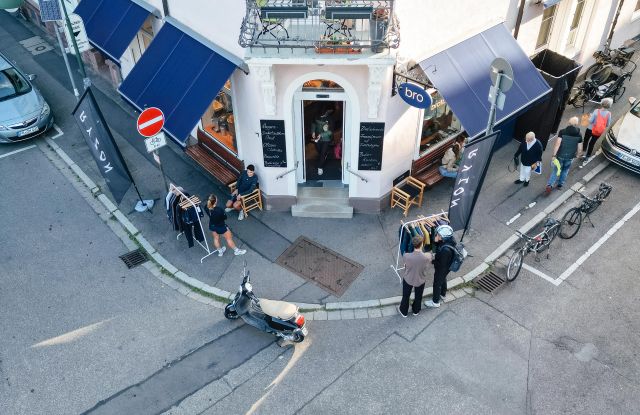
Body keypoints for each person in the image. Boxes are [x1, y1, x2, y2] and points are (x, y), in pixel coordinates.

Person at [397, 235, 433, 317]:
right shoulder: (428, 256)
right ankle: (416, 310)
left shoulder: (406, 256)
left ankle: (404, 311)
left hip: (408, 278)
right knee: (418, 296)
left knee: (406, 296)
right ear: (422, 244)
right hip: (421, 279)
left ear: (413, 245)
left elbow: (406, 265)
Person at [545, 117, 583, 195]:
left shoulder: (563, 132)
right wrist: (578, 155)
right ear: (576, 124)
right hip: (570, 156)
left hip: (560, 156)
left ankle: (550, 185)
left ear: (569, 123)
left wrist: (554, 155)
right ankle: (560, 184)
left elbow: (557, 144)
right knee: (565, 170)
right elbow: (580, 147)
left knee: (556, 170)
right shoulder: (579, 134)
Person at [425, 225, 456, 308]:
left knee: (436, 283)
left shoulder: (445, 251)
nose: (436, 235)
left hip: (442, 268)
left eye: (438, 234)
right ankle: (443, 294)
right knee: (443, 279)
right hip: (447, 266)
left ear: (442, 237)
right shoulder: (450, 240)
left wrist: (432, 261)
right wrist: (435, 241)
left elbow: (440, 263)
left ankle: (435, 302)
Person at [580, 98, 612, 168]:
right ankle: (587, 156)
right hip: (598, 131)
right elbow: (607, 124)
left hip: (590, 129)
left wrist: (590, 116)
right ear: (609, 106)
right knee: (592, 143)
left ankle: (583, 152)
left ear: (602, 103)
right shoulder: (609, 114)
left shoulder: (596, 111)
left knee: (586, 140)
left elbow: (591, 121)